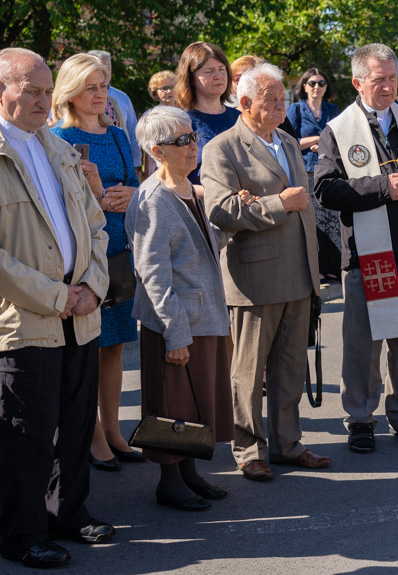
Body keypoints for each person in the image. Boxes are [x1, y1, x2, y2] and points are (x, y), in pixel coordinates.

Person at [0, 46, 113, 569]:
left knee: (73, 421)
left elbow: (94, 224)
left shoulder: (56, 147)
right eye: (33, 92)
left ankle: (67, 512)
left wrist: (91, 285)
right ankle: (21, 534)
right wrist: (55, 295)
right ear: (2, 91)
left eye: (48, 92)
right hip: (28, 320)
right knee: (26, 432)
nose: (46, 102)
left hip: (80, 313)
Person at [316, 43, 398, 453]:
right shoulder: (338, 130)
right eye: (379, 79)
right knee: (363, 342)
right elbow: (324, 188)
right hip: (367, 253)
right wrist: (382, 187)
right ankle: (360, 418)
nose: (388, 86)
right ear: (358, 82)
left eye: (392, 77)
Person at [202, 62, 331, 481]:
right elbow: (220, 210)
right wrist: (276, 203)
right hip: (254, 279)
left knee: (291, 367)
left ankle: (288, 444)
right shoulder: (221, 148)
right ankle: (247, 450)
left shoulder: (289, 142)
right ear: (244, 103)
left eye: (282, 98)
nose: (281, 106)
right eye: (270, 100)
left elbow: (303, 208)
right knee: (247, 371)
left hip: (298, 274)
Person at [126, 106, 234, 510]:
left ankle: (189, 473)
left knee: (195, 402)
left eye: (193, 136)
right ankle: (169, 483)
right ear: (157, 150)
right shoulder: (153, 199)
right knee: (172, 404)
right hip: (176, 322)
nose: (194, 146)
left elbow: (202, 250)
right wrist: (175, 333)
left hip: (201, 315)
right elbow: (153, 274)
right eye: (183, 141)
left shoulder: (189, 187)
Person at [51, 53, 143, 471]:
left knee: (115, 347)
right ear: (70, 91)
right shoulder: (56, 138)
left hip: (120, 251)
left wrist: (131, 196)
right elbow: (56, 205)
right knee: (86, 347)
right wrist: (98, 196)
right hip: (84, 255)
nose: (99, 94)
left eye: (103, 85)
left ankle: (114, 430)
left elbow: (137, 184)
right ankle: (89, 436)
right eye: (90, 86)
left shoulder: (120, 135)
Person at [287, 68, 342, 280]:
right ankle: (315, 269)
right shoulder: (296, 110)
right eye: (312, 83)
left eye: (321, 83)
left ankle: (332, 267)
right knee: (313, 221)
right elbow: (290, 142)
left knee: (332, 218)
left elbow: (339, 137)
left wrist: (326, 144)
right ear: (304, 86)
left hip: (330, 169)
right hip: (306, 170)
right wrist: (318, 140)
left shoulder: (332, 109)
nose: (317, 87)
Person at [175, 42, 240, 191]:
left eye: (222, 69)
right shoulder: (180, 124)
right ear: (191, 78)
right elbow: (173, 181)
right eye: (209, 71)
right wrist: (217, 194)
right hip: (200, 209)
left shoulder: (241, 119)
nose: (218, 76)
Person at [87, 51, 142, 182]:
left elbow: (133, 134)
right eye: (100, 66)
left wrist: (136, 164)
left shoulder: (122, 98)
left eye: (108, 66)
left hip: (122, 165)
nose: (105, 71)